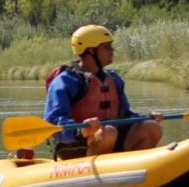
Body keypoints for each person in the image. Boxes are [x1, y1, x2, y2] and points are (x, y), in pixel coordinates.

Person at [44, 25, 164, 159]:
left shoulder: (113, 79)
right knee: (108, 132)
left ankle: (134, 167)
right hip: (77, 146)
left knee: (152, 128)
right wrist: (81, 130)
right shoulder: (66, 80)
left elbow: (125, 115)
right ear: (91, 50)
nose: (112, 51)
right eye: (107, 46)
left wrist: (146, 118)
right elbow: (52, 121)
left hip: (109, 139)